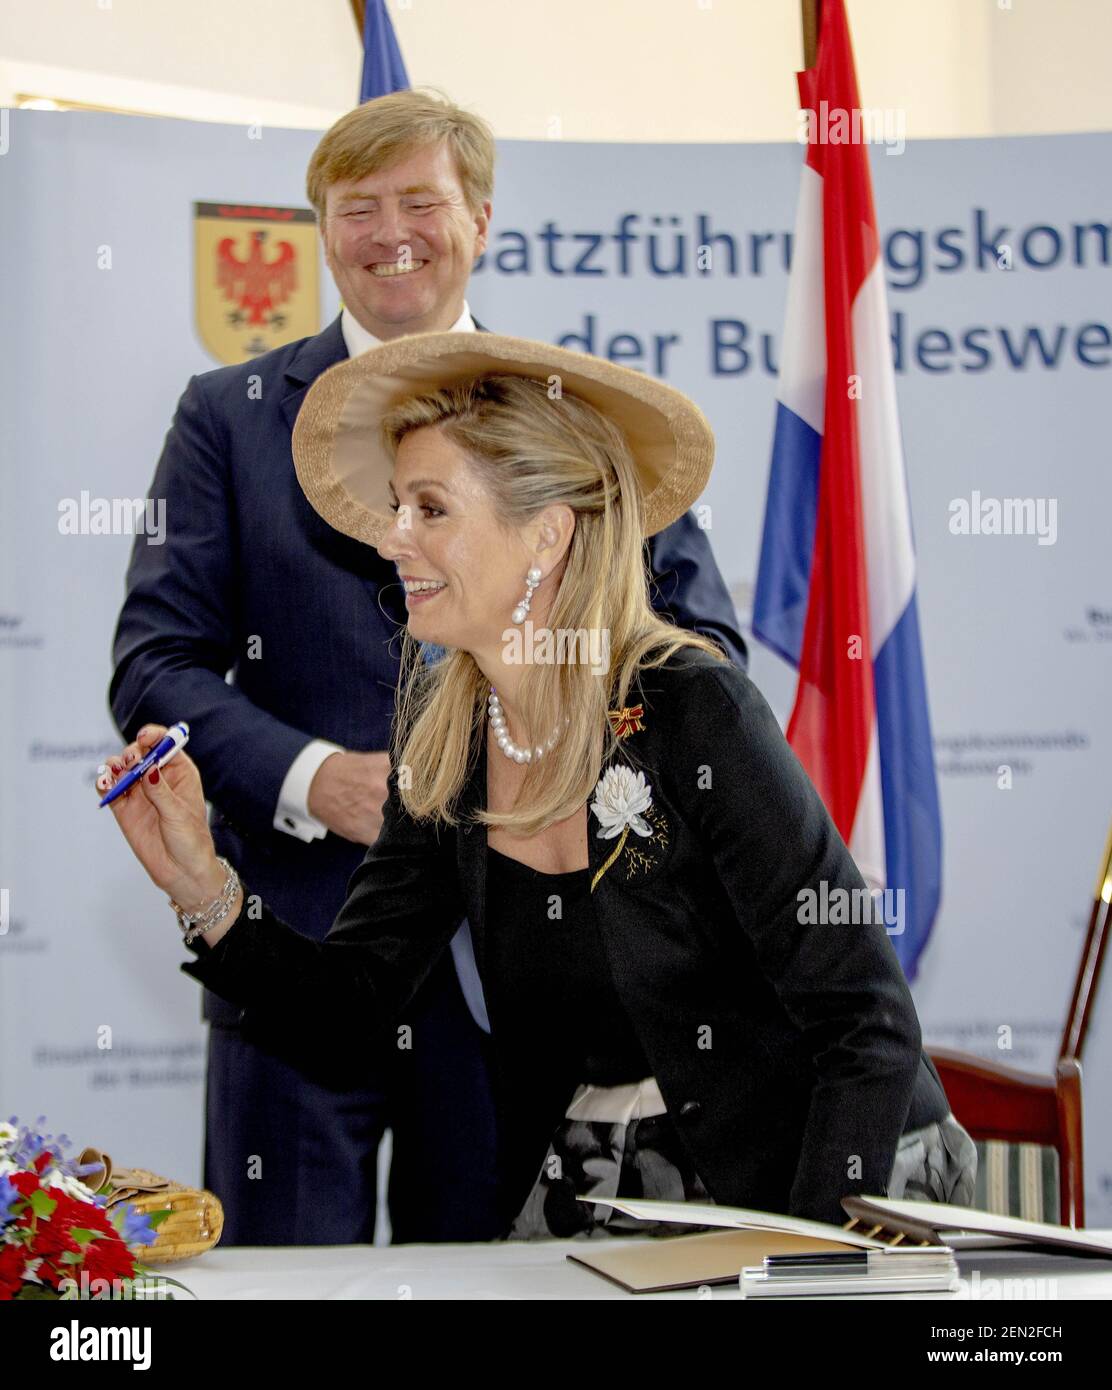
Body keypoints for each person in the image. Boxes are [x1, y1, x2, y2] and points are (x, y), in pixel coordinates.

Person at [97, 330, 976, 1239]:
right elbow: (353, 1004)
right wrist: (201, 885)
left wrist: (807, 1264)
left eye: (430, 509)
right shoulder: (445, 738)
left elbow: (866, 1021)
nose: (392, 538)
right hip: (604, 1189)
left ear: (546, 535)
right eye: (398, 507)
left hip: (831, 1176)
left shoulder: (693, 708)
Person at [107, 89, 748, 1246]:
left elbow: (702, 650)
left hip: (524, 970)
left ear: (480, 220)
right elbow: (155, 662)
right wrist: (315, 778)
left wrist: (535, 772)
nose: (389, 231)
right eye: (358, 207)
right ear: (321, 231)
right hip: (295, 957)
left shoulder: (573, 415)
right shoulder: (225, 418)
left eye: (419, 200)